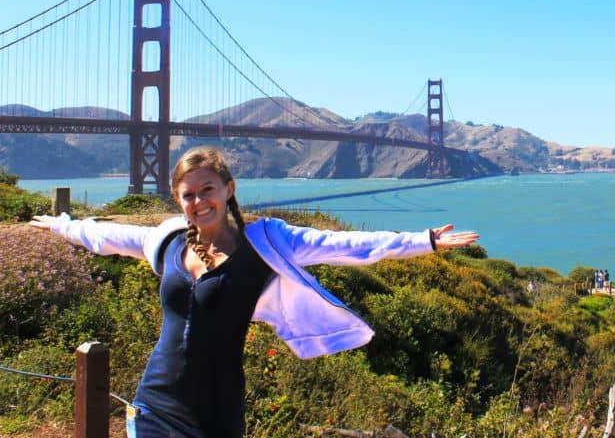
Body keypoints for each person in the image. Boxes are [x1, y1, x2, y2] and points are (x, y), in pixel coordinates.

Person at [30, 146, 478, 438]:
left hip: (215, 411)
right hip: (155, 401)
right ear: (177, 200)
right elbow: (111, 236)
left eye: (208, 189)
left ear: (228, 189)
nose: (198, 201)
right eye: (187, 194)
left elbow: (346, 246)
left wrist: (423, 241)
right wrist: (64, 226)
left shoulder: (266, 243)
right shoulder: (165, 239)